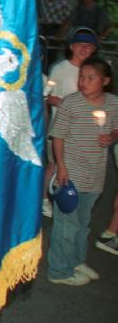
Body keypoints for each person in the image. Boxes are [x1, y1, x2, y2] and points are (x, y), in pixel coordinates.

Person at [48, 57, 118, 285]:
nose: (83, 82)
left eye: (90, 78)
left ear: (105, 81)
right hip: (71, 173)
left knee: (82, 224)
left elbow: (115, 129)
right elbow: (57, 136)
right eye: (81, 77)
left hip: (95, 173)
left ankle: (76, 260)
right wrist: (61, 166)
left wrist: (112, 137)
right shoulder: (71, 103)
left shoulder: (113, 104)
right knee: (66, 224)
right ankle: (59, 271)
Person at [43, 28, 98, 217]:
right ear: (72, 47)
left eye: (88, 45)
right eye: (80, 45)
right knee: (54, 165)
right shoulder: (60, 69)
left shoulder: (95, 70)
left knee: (74, 168)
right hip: (60, 129)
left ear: (94, 49)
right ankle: (44, 200)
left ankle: (67, 201)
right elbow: (47, 97)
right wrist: (65, 103)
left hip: (84, 132)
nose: (84, 49)